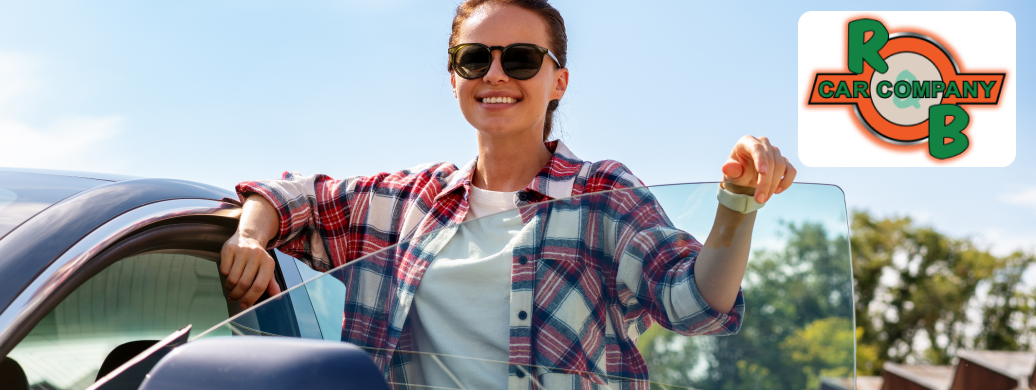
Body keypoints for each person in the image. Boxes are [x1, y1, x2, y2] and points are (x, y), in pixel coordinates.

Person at [219, 0, 796, 388]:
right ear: (453, 79)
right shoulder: (405, 202)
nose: (495, 74)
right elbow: (293, 195)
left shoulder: (602, 193)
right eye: (474, 59)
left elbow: (693, 303)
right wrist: (249, 232)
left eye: (520, 59)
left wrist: (736, 203)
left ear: (558, 81)